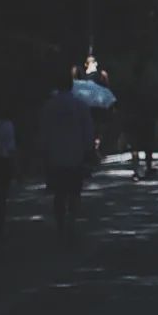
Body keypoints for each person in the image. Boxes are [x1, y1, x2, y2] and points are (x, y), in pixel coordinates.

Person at [38, 73, 95, 239]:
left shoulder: (49, 106)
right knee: (74, 192)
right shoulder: (80, 105)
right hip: (75, 154)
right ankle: (71, 221)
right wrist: (88, 150)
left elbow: (43, 130)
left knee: (59, 192)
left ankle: (60, 224)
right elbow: (88, 130)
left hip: (55, 154)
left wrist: (43, 151)